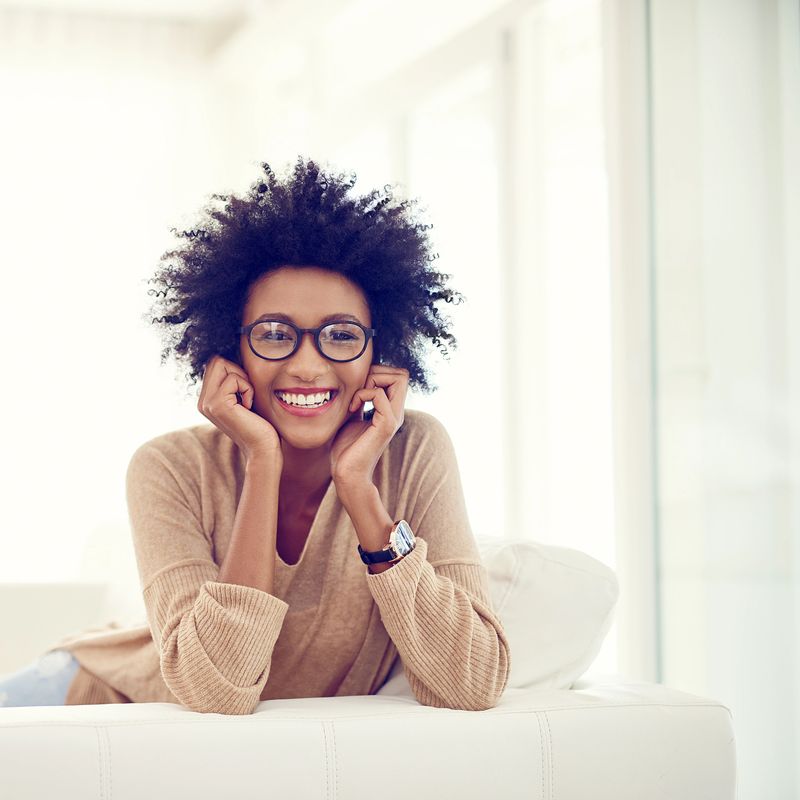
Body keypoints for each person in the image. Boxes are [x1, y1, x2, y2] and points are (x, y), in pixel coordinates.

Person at [0, 157, 510, 714]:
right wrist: (262, 459)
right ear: (231, 346)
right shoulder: (168, 467)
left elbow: (471, 683)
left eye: (340, 335)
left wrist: (359, 489)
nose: (308, 366)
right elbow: (215, 690)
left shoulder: (412, 450)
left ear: (376, 349)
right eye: (274, 334)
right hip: (91, 696)